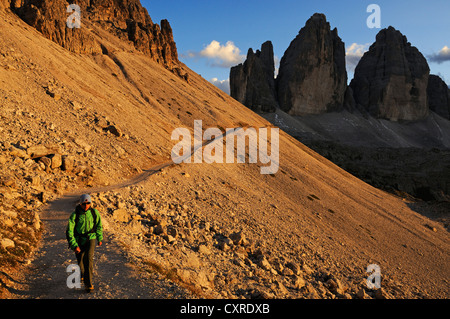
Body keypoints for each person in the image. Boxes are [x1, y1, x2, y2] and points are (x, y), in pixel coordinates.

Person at [66, 194, 103, 292]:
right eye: (84, 203)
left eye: (88, 203)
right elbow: (69, 231)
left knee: (88, 260)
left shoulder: (94, 213)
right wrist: (74, 245)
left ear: (91, 203)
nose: (86, 205)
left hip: (91, 238)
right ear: (80, 203)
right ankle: (82, 273)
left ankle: (88, 284)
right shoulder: (75, 215)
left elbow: (99, 226)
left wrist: (99, 238)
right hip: (79, 240)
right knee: (80, 260)